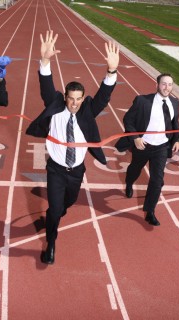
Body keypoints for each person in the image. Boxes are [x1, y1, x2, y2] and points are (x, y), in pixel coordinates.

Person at [26, 30, 119, 265]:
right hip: (56, 170)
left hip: (77, 171)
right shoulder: (55, 106)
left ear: (83, 98)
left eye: (79, 98)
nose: (75, 103)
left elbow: (104, 96)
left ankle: (55, 214)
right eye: (71, 98)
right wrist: (45, 60)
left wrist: (111, 71)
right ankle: (51, 243)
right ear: (65, 97)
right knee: (56, 210)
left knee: (67, 204)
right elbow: (46, 85)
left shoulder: (88, 110)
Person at [115, 73, 179, 227]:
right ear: (156, 85)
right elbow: (128, 120)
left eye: (170, 84)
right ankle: (129, 182)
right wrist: (136, 138)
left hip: (162, 147)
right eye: (163, 84)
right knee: (134, 170)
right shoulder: (142, 101)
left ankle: (150, 211)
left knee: (157, 180)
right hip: (143, 145)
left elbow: (174, 122)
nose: (167, 87)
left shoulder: (175, 102)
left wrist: (176, 139)